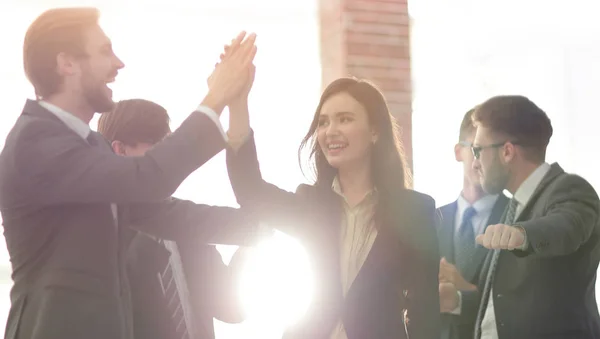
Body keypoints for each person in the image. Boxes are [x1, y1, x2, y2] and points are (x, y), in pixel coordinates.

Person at [0, 7, 257, 339]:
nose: (118, 63)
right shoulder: (35, 142)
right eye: (105, 51)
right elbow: (148, 178)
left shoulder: (91, 147)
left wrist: (265, 223)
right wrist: (216, 97)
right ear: (67, 64)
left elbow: (165, 213)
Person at [224, 68, 440, 338]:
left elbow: (426, 311)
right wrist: (237, 104)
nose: (330, 131)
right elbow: (251, 191)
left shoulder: (415, 210)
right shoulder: (310, 203)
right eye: (323, 122)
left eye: (344, 119)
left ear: (374, 132)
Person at [97, 99, 250, 339]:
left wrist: (249, 244)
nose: (170, 160)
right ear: (121, 150)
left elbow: (232, 309)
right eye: (159, 147)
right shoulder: (96, 239)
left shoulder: (188, 229)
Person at [470, 95, 600, 339]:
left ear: (507, 151)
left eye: (477, 150)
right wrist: (456, 299)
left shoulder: (569, 189)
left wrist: (521, 234)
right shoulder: (511, 208)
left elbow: (566, 227)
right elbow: (501, 303)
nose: (474, 163)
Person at [436, 108, 508, 339]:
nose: (483, 160)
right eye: (476, 149)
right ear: (458, 152)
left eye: (494, 150)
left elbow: (523, 303)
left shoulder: (520, 218)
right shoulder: (429, 218)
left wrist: (462, 291)